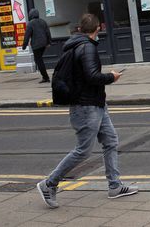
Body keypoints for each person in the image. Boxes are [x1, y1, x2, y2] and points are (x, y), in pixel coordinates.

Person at [37, 13, 137, 209]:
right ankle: (49, 183)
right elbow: (92, 76)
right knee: (83, 150)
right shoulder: (87, 47)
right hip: (86, 107)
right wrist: (111, 77)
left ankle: (115, 186)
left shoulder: (75, 44)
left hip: (95, 104)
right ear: (98, 29)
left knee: (110, 141)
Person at [22, 9, 52, 83]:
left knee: (39, 60)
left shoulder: (30, 23)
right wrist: (49, 42)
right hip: (44, 44)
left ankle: (46, 77)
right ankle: (45, 77)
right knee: (39, 59)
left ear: (30, 15)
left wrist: (24, 45)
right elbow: (48, 32)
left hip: (36, 45)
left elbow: (27, 35)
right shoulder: (43, 21)